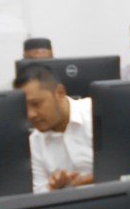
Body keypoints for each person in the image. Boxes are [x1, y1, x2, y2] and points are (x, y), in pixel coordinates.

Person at [13, 64, 93, 193]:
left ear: (60, 93)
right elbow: (40, 195)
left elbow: (124, 170)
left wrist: (79, 182)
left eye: (36, 104)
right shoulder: (34, 142)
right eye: (24, 107)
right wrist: (54, 188)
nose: (30, 114)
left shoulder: (97, 112)